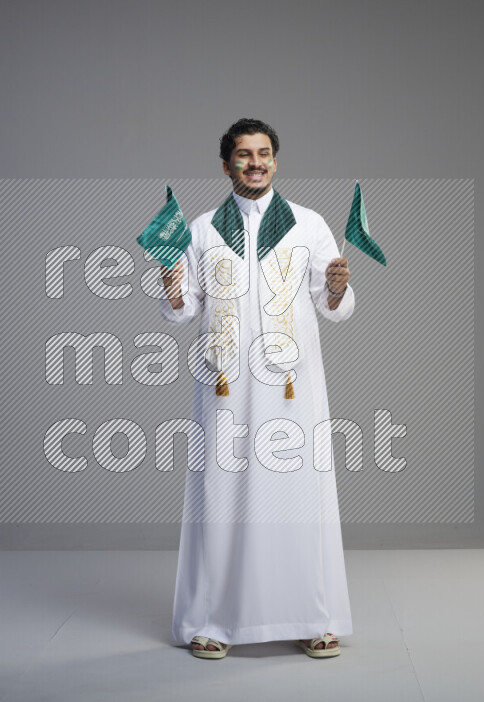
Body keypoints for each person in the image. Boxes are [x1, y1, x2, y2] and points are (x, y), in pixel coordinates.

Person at [159, 118, 353, 659]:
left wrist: (338, 289)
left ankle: (312, 616)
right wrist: (174, 293)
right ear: (226, 165)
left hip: (292, 386)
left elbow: (332, 306)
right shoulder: (202, 229)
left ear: (276, 160)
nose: (255, 163)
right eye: (243, 155)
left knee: (297, 497)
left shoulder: (309, 225)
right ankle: (212, 621)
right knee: (220, 497)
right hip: (223, 385)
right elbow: (185, 310)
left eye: (264, 153)